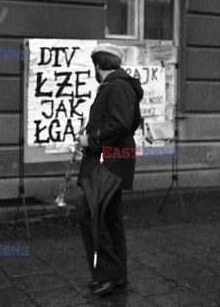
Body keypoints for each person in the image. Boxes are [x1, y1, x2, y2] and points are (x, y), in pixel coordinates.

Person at [76, 43, 143, 296]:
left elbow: (122, 123)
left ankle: (107, 275)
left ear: (98, 65)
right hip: (115, 158)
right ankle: (118, 277)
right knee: (109, 217)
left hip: (110, 160)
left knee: (89, 214)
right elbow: (128, 122)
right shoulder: (120, 85)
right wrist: (93, 133)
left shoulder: (117, 86)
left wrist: (91, 140)